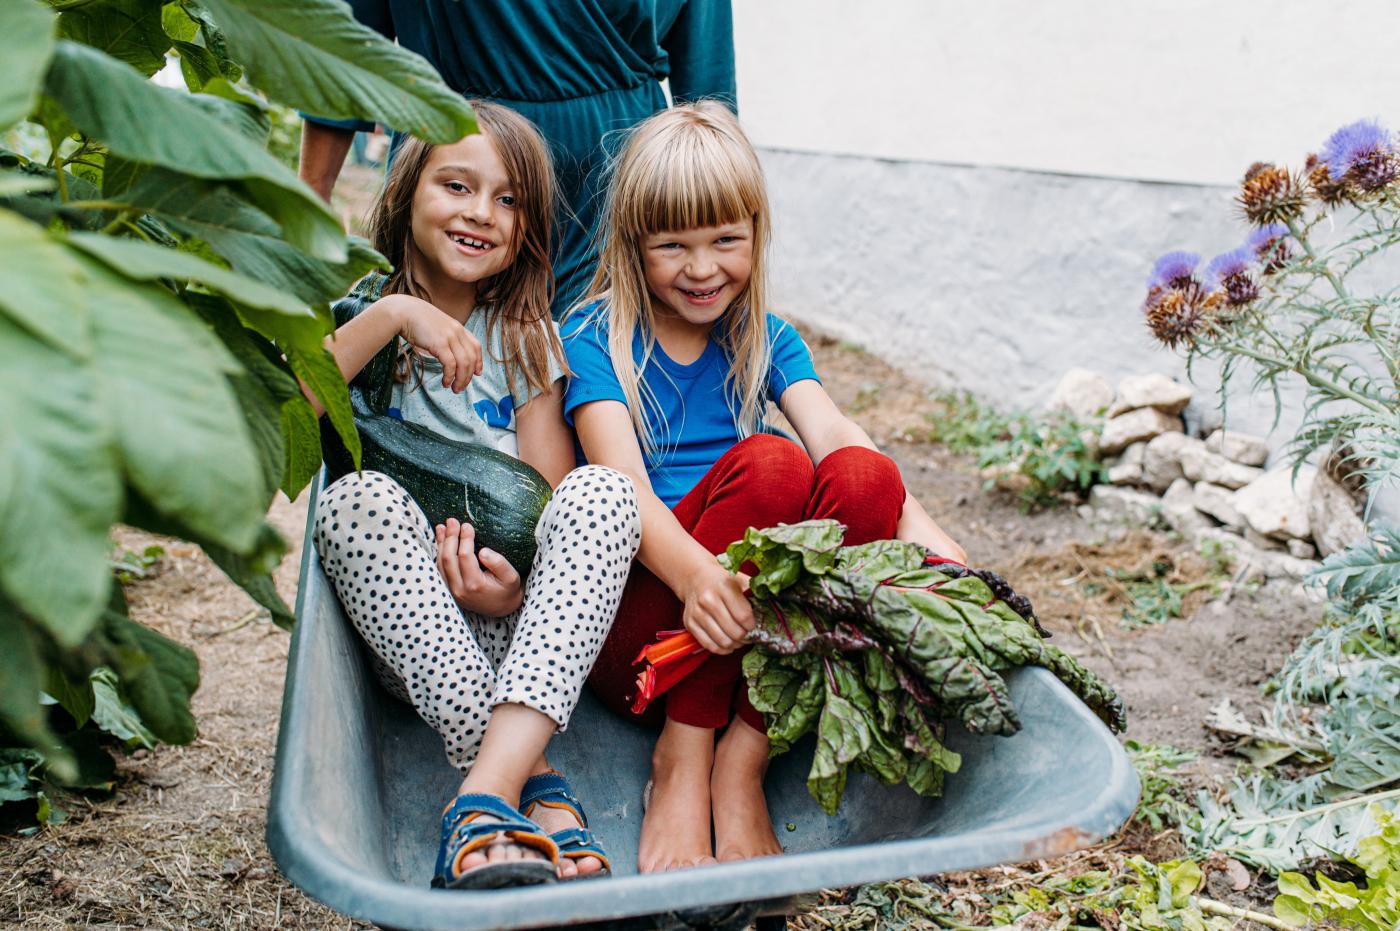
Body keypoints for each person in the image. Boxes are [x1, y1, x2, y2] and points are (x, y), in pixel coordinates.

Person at [561, 103, 967, 873]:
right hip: (648, 629)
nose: (704, 267)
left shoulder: (764, 338)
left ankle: (739, 761)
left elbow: (842, 438)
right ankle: (681, 757)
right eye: (672, 244)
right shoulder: (594, 340)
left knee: (863, 474)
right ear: (631, 244)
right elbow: (624, 491)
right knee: (773, 464)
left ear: (756, 233)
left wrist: (920, 525)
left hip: (748, 640)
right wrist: (697, 574)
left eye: (726, 240)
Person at [307, 101, 641, 889]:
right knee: (354, 501)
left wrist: (513, 590)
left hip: (522, 638)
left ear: (526, 228)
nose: (479, 213)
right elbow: (297, 404)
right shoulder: (357, 314)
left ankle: (481, 798)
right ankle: (533, 779)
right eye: (456, 185)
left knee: (601, 492)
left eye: (508, 199)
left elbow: (547, 504)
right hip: (410, 632)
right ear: (406, 190)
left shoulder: (525, 337)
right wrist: (394, 313)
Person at [299, 0, 736, 318]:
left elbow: (706, 79)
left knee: (605, 389)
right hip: (456, 169)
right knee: (430, 387)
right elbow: (347, 43)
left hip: (617, 186)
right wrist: (307, 206)